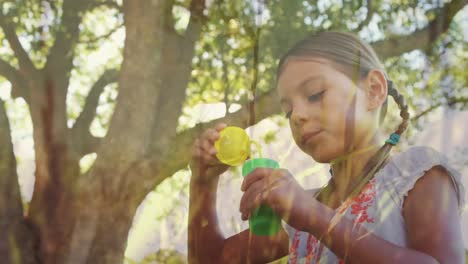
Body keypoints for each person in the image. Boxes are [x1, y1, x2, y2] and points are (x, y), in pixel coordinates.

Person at [187, 31, 466, 263]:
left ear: (374, 90)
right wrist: (202, 182)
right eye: (288, 111)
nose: (297, 116)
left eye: (315, 94)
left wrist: (314, 217)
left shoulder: (415, 175)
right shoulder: (301, 212)